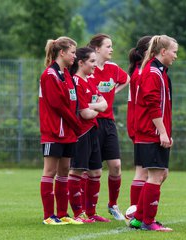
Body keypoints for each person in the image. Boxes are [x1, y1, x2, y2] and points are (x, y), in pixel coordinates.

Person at [128, 35, 178, 231]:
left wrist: (165, 131)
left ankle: (139, 218)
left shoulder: (158, 71)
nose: (175, 56)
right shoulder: (152, 72)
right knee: (155, 176)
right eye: (174, 51)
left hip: (152, 132)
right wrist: (163, 132)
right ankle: (148, 221)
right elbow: (152, 105)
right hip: (150, 133)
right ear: (163, 51)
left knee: (161, 174)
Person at [39, 36, 83, 225]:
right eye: (72, 52)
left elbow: (73, 103)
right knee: (50, 171)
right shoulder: (50, 75)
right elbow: (58, 105)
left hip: (69, 132)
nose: (75, 56)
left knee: (64, 171)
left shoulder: (67, 75)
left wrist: (74, 125)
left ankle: (63, 213)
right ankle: (49, 216)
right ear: (62, 52)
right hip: (54, 131)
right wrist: (77, 124)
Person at [87, 33, 130, 220]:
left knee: (116, 166)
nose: (111, 49)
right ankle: (89, 210)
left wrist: (114, 91)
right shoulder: (89, 68)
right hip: (92, 122)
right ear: (97, 49)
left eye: (111, 46)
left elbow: (127, 79)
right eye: (108, 46)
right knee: (92, 170)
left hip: (109, 122)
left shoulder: (113, 68)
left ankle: (113, 205)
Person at [68, 47, 111, 223]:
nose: (95, 65)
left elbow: (104, 104)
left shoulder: (90, 82)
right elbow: (84, 114)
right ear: (81, 62)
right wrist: (93, 108)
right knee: (77, 171)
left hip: (93, 130)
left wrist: (90, 107)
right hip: (81, 133)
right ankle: (79, 214)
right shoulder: (76, 82)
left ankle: (91, 212)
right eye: (92, 62)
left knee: (96, 171)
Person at [126, 36, 152, 207]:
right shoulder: (142, 72)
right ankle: (136, 212)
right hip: (142, 127)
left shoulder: (141, 70)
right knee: (144, 172)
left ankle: (138, 211)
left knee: (153, 173)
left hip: (141, 126)